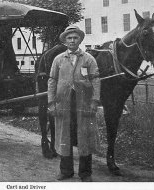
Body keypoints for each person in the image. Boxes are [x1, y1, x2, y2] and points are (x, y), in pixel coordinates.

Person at [47, 25, 100, 182]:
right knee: (65, 136)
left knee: (85, 137)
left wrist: (94, 101)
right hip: (64, 104)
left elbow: (96, 80)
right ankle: (66, 171)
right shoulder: (58, 59)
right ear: (65, 41)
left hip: (83, 104)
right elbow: (52, 80)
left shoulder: (88, 59)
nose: (72, 40)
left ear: (80, 39)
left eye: (75, 37)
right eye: (69, 38)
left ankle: (85, 173)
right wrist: (51, 102)